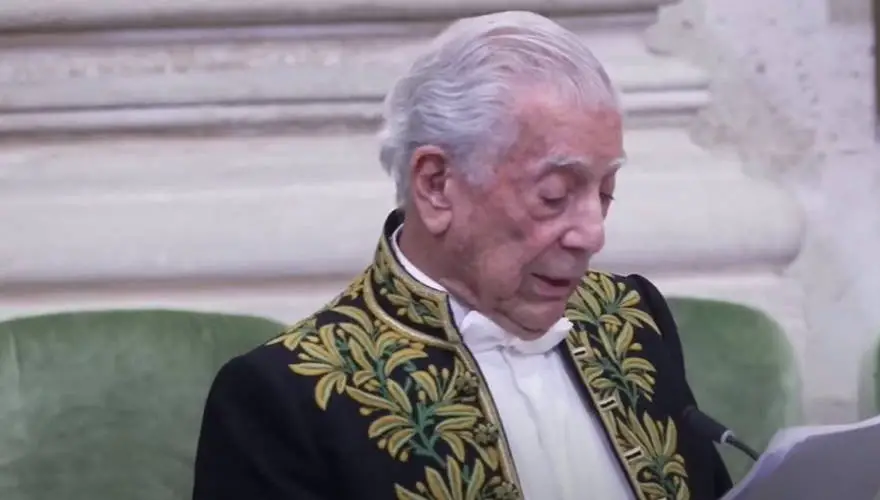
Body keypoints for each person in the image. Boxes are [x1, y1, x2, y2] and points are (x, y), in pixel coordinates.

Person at [191, 10, 732, 500]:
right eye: (555, 196)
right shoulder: (287, 398)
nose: (591, 234)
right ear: (436, 185)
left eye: (605, 192)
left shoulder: (631, 319)